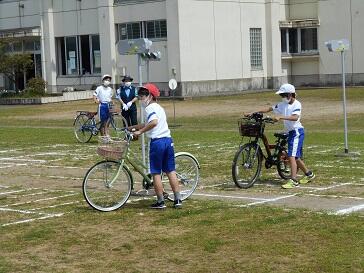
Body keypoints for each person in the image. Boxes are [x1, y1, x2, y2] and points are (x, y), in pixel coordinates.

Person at [246, 83, 315, 189]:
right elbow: (269, 108)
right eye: (281, 96)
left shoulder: (297, 104)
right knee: (296, 157)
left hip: (296, 132)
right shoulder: (282, 104)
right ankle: (309, 174)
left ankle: (293, 180)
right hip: (290, 132)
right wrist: (253, 112)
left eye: (283, 95)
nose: (282, 97)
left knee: (292, 155)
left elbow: (295, 117)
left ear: (290, 95)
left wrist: (280, 117)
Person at [132, 83, 182, 209]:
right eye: (140, 94)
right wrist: (134, 127)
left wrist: (140, 132)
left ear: (151, 96)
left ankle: (160, 201)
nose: (141, 97)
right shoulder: (159, 107)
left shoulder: (149, 108)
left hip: (157, 143)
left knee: (155, 173)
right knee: (170, 171)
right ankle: (177, 199)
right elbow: (149, 122)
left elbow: (153, 122)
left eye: (144, 94)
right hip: (167, 141)